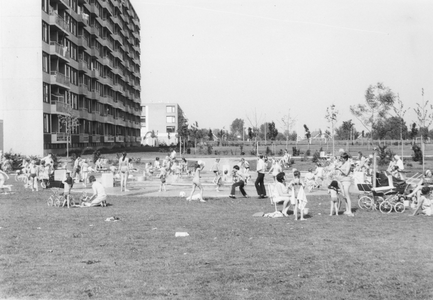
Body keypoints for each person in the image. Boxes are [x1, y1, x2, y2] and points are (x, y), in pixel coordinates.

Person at [335, 152, 354, 216]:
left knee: (347, 195)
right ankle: (347, 210)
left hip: (346, 181)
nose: (341, 159)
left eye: (342, 158)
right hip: (342, 181)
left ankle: (350, 211)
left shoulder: (348, 164)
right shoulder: (343, 163)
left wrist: (340, 169)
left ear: (345, 158)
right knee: (344, 196)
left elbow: (346, 173)